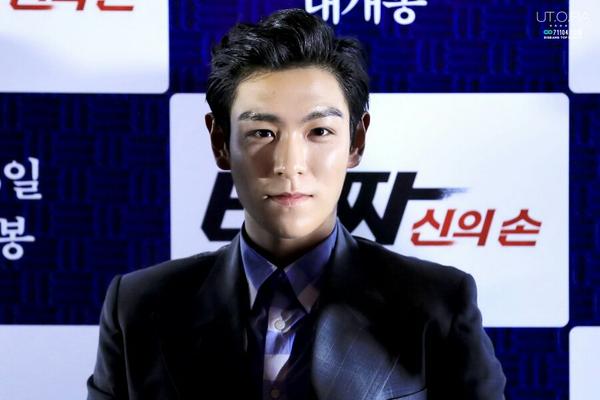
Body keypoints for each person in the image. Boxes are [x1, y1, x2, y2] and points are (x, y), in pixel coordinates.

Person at [87, 8, 506, 400]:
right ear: (221, 142)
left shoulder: (436, 305)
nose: (289, 164)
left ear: (356, 141)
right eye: (262, 133)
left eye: (319, 131)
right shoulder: (140, 307)